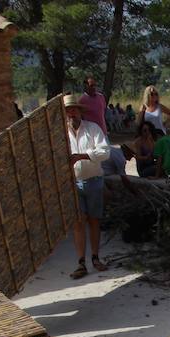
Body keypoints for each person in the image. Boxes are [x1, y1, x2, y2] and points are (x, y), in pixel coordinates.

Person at [63, 94, 110, 280]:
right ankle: (81, 262)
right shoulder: (61, 135)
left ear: (79, 111)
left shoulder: (93, 129)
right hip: (73, 183)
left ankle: (95, 257)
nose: (71, 113)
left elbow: (104, 151)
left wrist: (82, 156)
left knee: (94, 220)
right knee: (78, 222)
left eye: (73, 109)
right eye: (68, 110)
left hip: (93, 180)